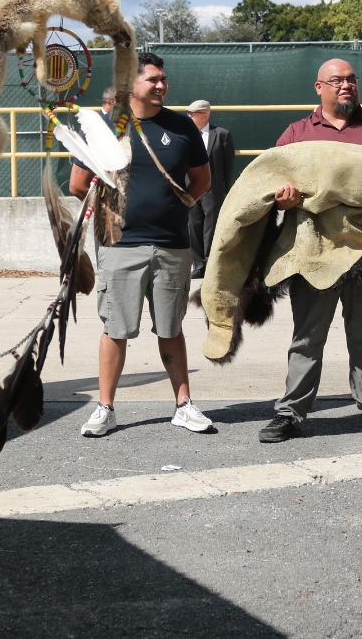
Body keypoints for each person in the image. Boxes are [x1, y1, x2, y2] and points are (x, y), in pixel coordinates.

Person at [261, 58, 362, 445]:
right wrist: (284, 201)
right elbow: (270, 185)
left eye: (351, 79)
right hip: (312, 257)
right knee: (307, 339)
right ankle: (290, 413)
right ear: (319, 88)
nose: (346, 85)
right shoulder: (297, 133)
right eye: (337, 80)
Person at [71, 53, 213, 438]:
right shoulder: (103, 126)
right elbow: (78, 184)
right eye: (153, 80)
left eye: (163, 79)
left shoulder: (181, 126)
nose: (162, 85)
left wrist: (176, 208)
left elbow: (201, 180)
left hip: (172, 245)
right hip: (120, 245)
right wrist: (115, 214)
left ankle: (183, 405)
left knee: (171, 328)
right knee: (115, 328)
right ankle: (106, 409)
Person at [186, 99, 235, 279]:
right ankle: (198, 265)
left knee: (212, 227)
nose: (189, 116)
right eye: (189, 113)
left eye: (193, 114)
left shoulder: (222, 135)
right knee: (194, 225)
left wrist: (223, 191)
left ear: (204, 115)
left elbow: (228, 165)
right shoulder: (187, 135)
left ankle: (210, 263)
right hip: (191, 189)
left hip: (213, 190)